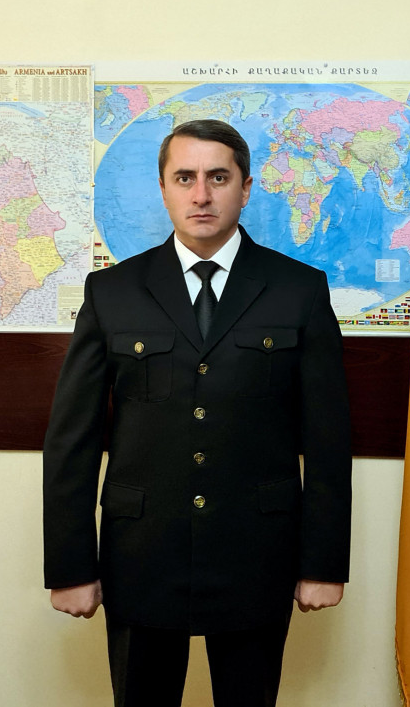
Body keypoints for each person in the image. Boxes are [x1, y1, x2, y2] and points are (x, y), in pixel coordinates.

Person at [43, 119, 352, 707]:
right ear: (163, 188)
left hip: (257, 553)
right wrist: (70, 566)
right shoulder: (112, 292)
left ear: (246, 187)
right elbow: (71, 442)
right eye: (184, 178)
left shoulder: (299, 290)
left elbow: (329, 440)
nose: (201, 194)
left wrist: (322, 563)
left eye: (218, 177)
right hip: (141, 554)